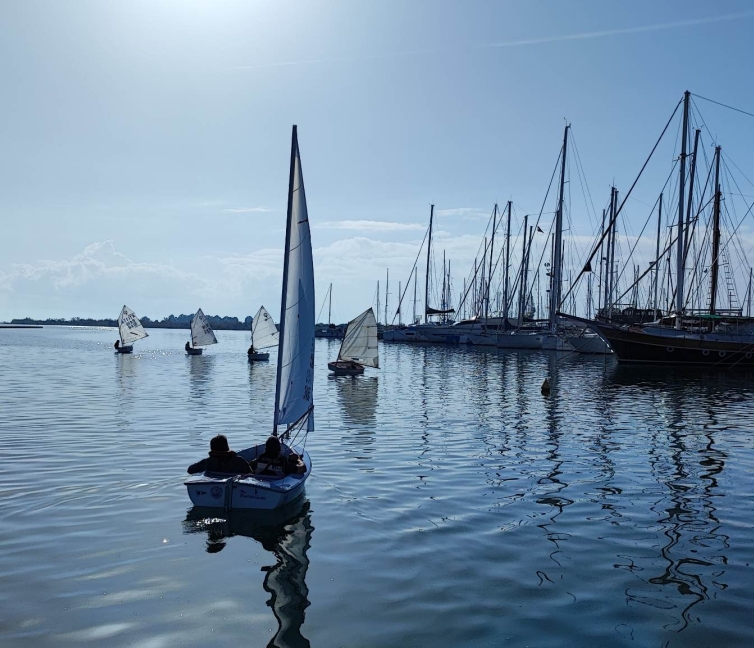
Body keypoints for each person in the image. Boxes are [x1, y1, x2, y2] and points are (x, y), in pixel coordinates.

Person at [187, 435, 252, 474]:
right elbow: (250, 473)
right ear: (227, 447)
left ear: (211, 448)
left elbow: (190, 470)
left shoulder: (208, 462)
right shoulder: (239, 460)